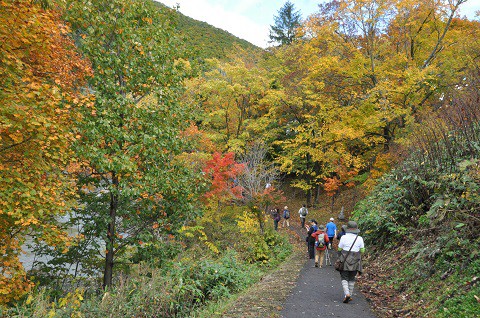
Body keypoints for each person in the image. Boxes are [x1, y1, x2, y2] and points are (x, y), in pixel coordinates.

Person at [337, 221, 365, 304]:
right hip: (356, 260)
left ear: (347, 229)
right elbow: (362, 250)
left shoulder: (343, 237)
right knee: (352, 278)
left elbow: (339, 249)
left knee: (344, 277)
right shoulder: (359, 238)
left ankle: (347, 294)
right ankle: (350, 295)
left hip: (345, 259)